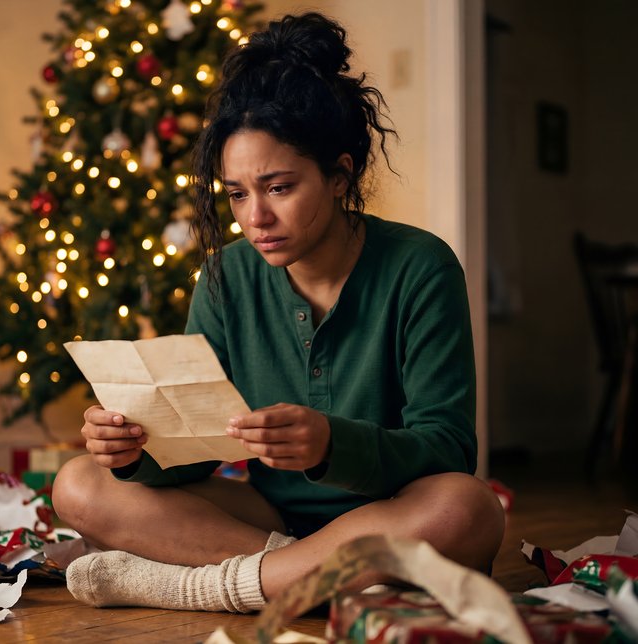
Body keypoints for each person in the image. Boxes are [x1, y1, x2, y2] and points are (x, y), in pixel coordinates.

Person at [52, 12, 505, 613]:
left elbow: (447, 448)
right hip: (270, 519)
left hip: (393, 512)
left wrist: (329, 446)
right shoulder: (225, 276)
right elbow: (198, 454)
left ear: (340, 176)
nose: (254, 217)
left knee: (466, 507)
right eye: (237, 193)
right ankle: (322, 582)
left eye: (279, 187)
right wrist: (136, 453)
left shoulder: (421, 267)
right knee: (79, 484)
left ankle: (217, 586)